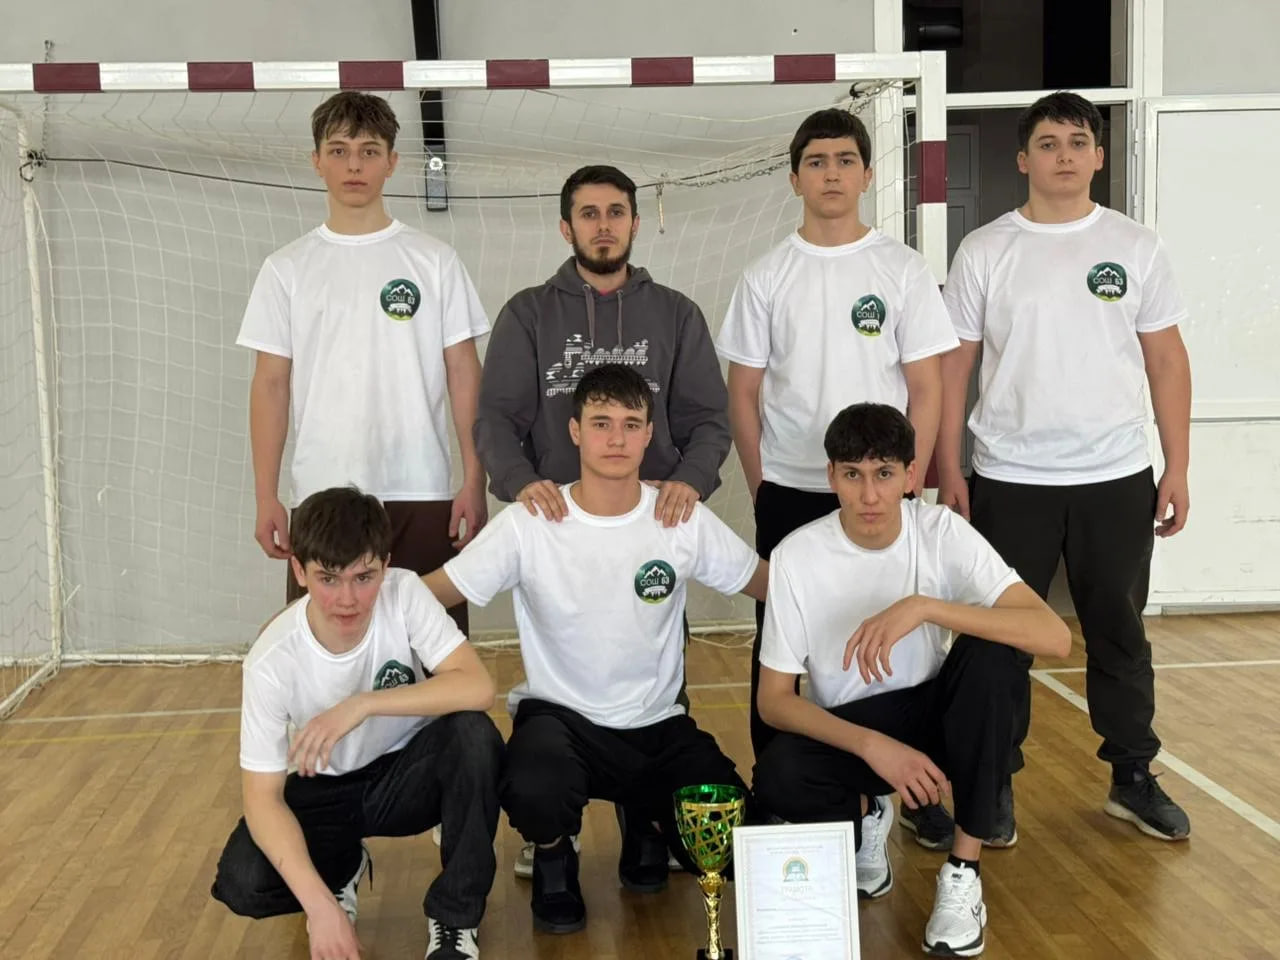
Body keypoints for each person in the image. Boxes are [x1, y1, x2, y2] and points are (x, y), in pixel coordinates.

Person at [425, 365, 766, 935]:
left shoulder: (679, 516)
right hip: (562, 722)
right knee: (533, 784)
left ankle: (648, 823)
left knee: (734, 839)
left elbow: (769, 586)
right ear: (575, 431)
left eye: (631, 424)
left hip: (656, 725)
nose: (616, 438)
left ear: (649, 434)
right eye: (601, 422)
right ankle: (554, 853)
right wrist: (345, 601)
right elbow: (436, 592)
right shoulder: (531, 521)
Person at [937, 92, 1193, 845]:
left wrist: (1177, 465)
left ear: (1099, 157)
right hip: (1009, 476)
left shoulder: (1136, 246)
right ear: (1023, 159)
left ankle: (1132, 777)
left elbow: (1167, 360)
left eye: (1078, 142)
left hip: (1116, 476)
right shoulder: (985, 249)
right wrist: (949, 466)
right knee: (1001, 640)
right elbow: (954, 367)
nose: (1064, 156)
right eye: (1048, 143)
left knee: (1119, 631)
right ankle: (993, 786)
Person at [474, 163, 731, 876]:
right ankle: (552, 830)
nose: (604, 225)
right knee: (563, 683)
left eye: (616, 212)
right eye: (588, 214)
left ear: (635, 223)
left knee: (654, 678)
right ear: (567, 228)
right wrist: (522, 483)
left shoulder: (675, 313)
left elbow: (710, 419)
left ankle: (646, 818)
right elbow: (496, 418)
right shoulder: (529, 313)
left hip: (648, 528)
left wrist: (689, 482)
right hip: (564, 529)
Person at [716, 106, 959, 845]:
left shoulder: (901, 269)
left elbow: (927, 386)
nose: (831, 173)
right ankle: (787, 798)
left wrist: (910, 478)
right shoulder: (767, 275)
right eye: (816, 161)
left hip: (883, 487)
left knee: (899, 637)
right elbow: (743, 392)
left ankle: (907, 788)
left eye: (845, 160)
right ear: (795, 178)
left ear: (867, 174)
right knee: (785, 647)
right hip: (793, 488)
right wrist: (763, 486)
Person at [753, 403, 1070, 957]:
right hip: (855, 727)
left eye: (883, 474)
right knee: (780, 773)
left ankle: (963, 871)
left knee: (994, 655)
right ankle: (868, 811)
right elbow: (774, 702)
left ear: (909, 474)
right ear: (831, 477)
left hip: (933, 714)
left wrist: (924, 607)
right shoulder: (795, 556)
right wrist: (875, 748)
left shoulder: (940, 531)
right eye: (852, 475)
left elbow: (1055, 636)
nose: (869, 495)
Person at [210, 486, 504, 960]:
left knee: (474, 736)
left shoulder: (404, 594)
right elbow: (262, 799)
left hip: (406, 777)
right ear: (299, 571)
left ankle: (455, 919)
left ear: (385, 566)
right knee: (244, 880)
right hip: (324, 789)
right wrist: (320, 908)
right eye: (328, 578)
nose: (347, 599)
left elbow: (478, 686)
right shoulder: (271, 659)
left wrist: (361, 705)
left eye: (364, 577)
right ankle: (339, 871)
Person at [239, 91, 489, 631]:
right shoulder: (286, 268)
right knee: (330, 651)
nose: (354, 165)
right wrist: (266, 496)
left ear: (392, 162)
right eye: (339, 150)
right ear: (316, 160)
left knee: (430, 648)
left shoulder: (435, 261)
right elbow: (271, 385)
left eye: (369, 151)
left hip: (421, 488)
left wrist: (474, 478)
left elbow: (465, 373)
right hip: (321, 492)